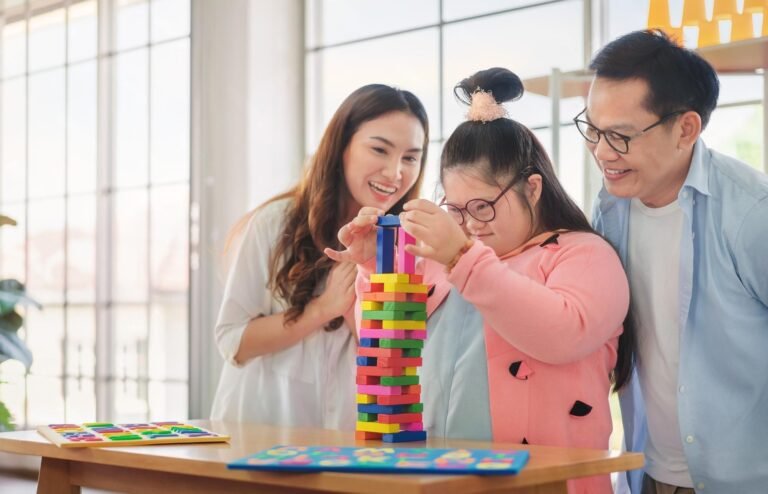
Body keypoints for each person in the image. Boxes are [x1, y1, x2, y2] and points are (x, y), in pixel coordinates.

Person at [328, 68, 633, 494]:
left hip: (544, 484)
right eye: (455, 209)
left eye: (482, 207)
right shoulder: (440, 258)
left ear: (532, 187)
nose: (470, 224)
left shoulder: (582, 254)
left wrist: (462, 257)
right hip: (440, 479)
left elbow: (564, 334)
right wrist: (373, 270)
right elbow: (383, 348)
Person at [577, 30, 768, 494]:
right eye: (593, 130)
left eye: (620, 136)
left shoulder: (750, 214)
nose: (602, 152)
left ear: (686, 128)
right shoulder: (608, 212)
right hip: (649, 475)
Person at [211, 84, 429, 429]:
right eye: (379, 149)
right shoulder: (276, 223)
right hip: (262, 437)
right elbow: (232, 341)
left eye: (411, 157)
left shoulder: (408, 245)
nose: (395, 172)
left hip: (347, 445)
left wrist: (366, 285)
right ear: (342, 145)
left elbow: (398, 364)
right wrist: (321, 309)